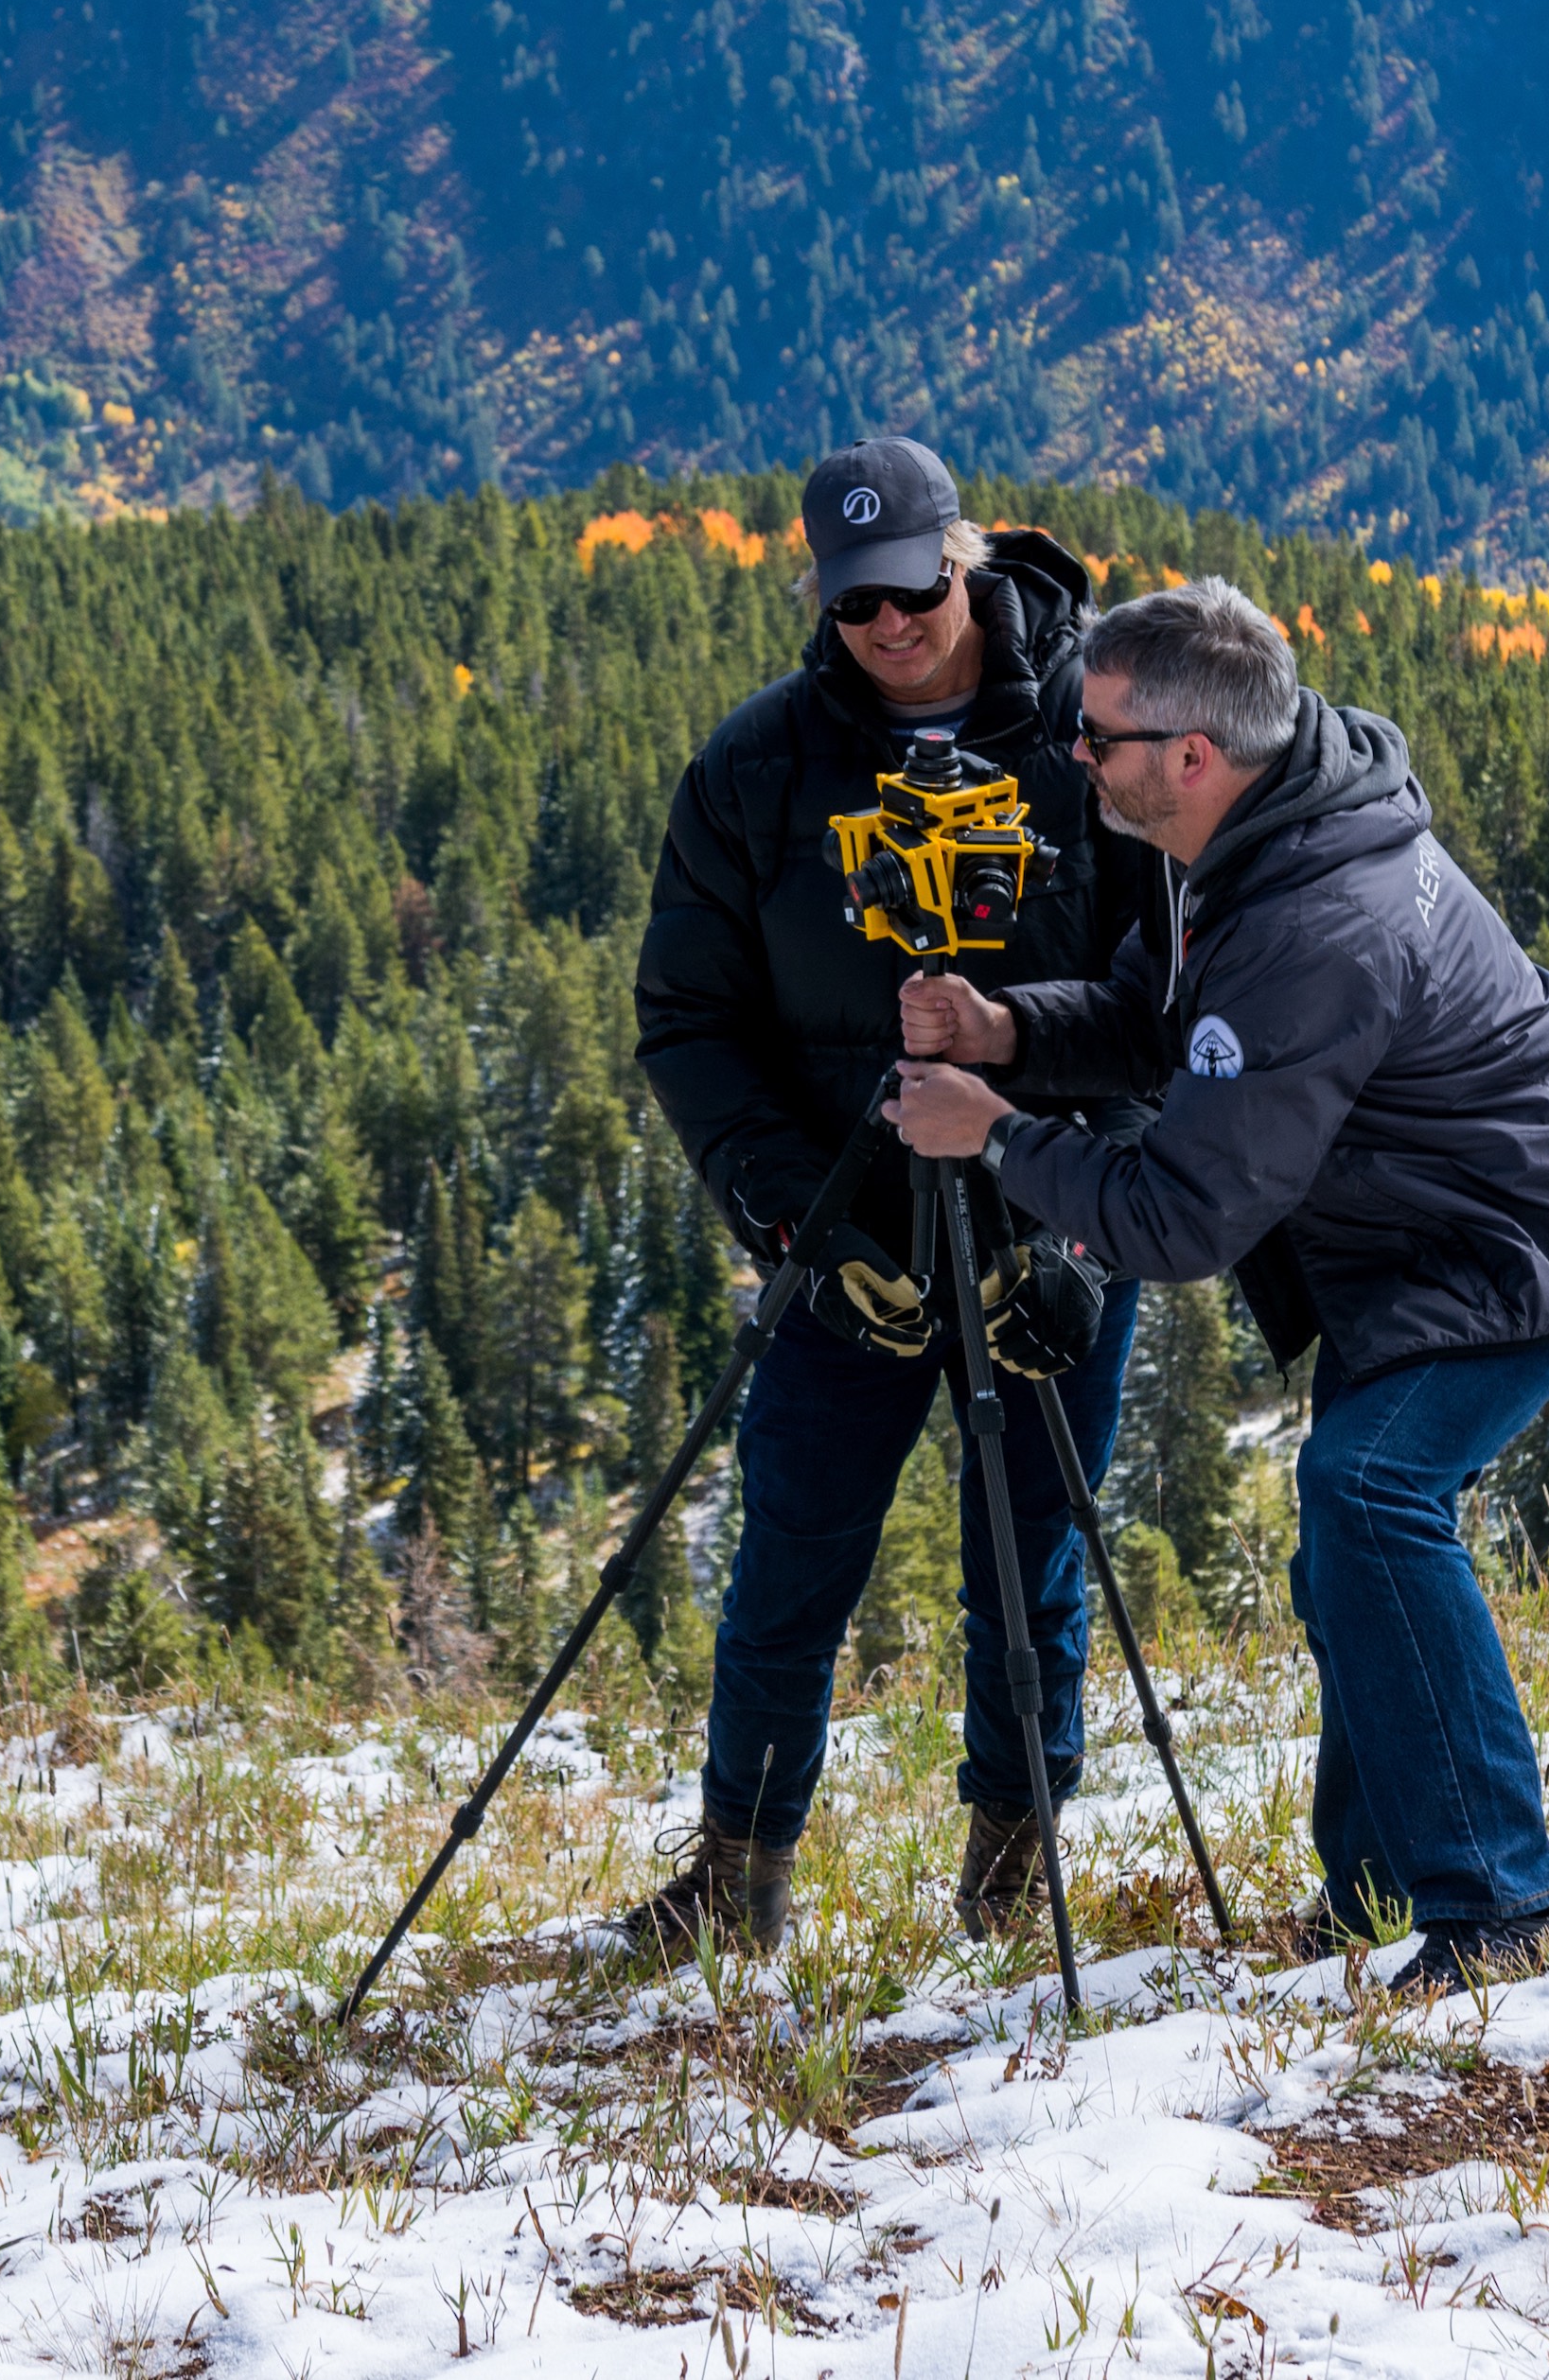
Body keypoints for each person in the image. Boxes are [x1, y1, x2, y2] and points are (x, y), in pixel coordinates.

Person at [886, 580, 1549, 1985]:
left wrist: (996, 1136)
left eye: (1098, 735)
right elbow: (1151, 1017)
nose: (1076, 753)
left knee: (1370, 1494)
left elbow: (1182, 1213)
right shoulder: (1249, 829)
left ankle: (1503, 1907)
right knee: (1348, 1543)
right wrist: (1005, 1028)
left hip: (1537, 1229)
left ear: (1192, 754)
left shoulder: (1318, 922)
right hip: (1426, 1227)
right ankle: (1377, 1893)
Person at [617, 436, 1169, 1957]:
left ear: (964, 559)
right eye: (855, 603)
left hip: (1049, 1215)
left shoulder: (1097, 738)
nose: (889, 626)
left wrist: (1084, 1228)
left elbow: (1167, 1008)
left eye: (914, 590)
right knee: (792, 1554)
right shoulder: (758, 765)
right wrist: (797, 1216)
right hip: (843, 1229)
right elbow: (690, 1021)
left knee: (1030, 1558)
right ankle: (739, 1882)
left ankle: (1013, 1871)